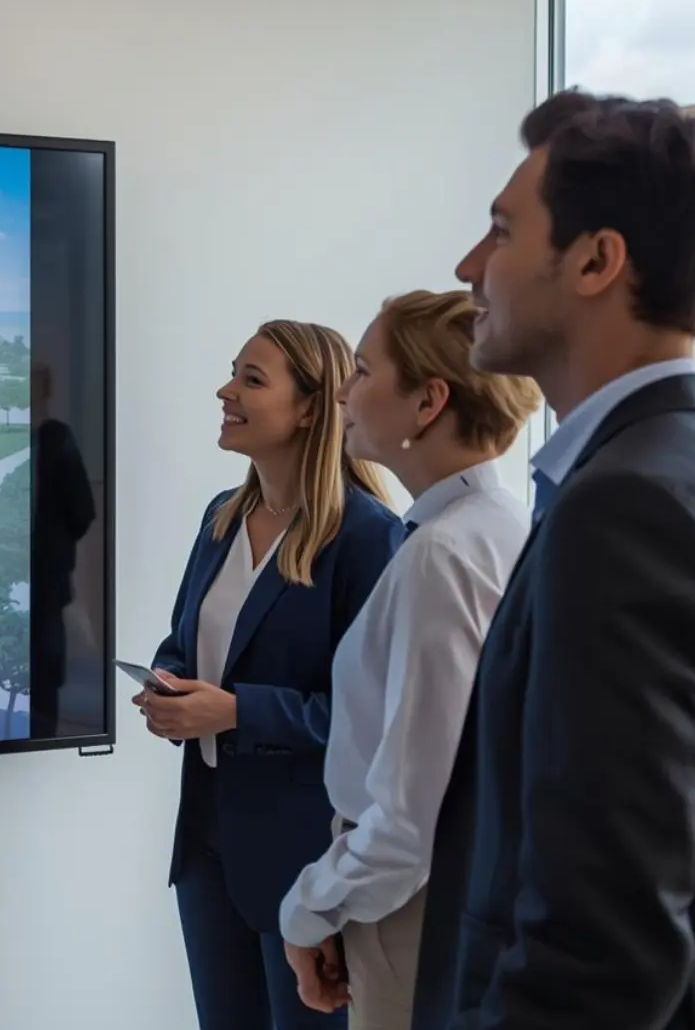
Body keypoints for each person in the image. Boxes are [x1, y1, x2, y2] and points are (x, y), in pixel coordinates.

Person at [413, 90, 695, 1030]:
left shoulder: (628, 510)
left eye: (501, 231)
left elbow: (601, 948)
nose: (469, 268)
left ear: (595, 260)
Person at [275, 290, 540, 1028]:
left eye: (362, 370)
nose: (345, 392)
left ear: (429, 401)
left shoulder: (443, 556)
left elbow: (408, 819)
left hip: (407, 908)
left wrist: (308, 907)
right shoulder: (502, 525)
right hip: (443, 892)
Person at [133, 319, 404, 1030]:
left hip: (307, 860)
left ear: (312, 407)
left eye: (251, 379)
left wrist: (234, 713)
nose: (226, 390)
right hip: (207, 849)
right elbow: (181, 646)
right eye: (234, 373)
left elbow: (373, 717)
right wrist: (169, 688)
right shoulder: (220, 520)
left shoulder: (369, 538)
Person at [29, 360, 96, 739]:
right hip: (28, 584)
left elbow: (83, 510)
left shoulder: (57, 440)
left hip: (46, 586)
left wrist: (52, 549)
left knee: (43, 674)